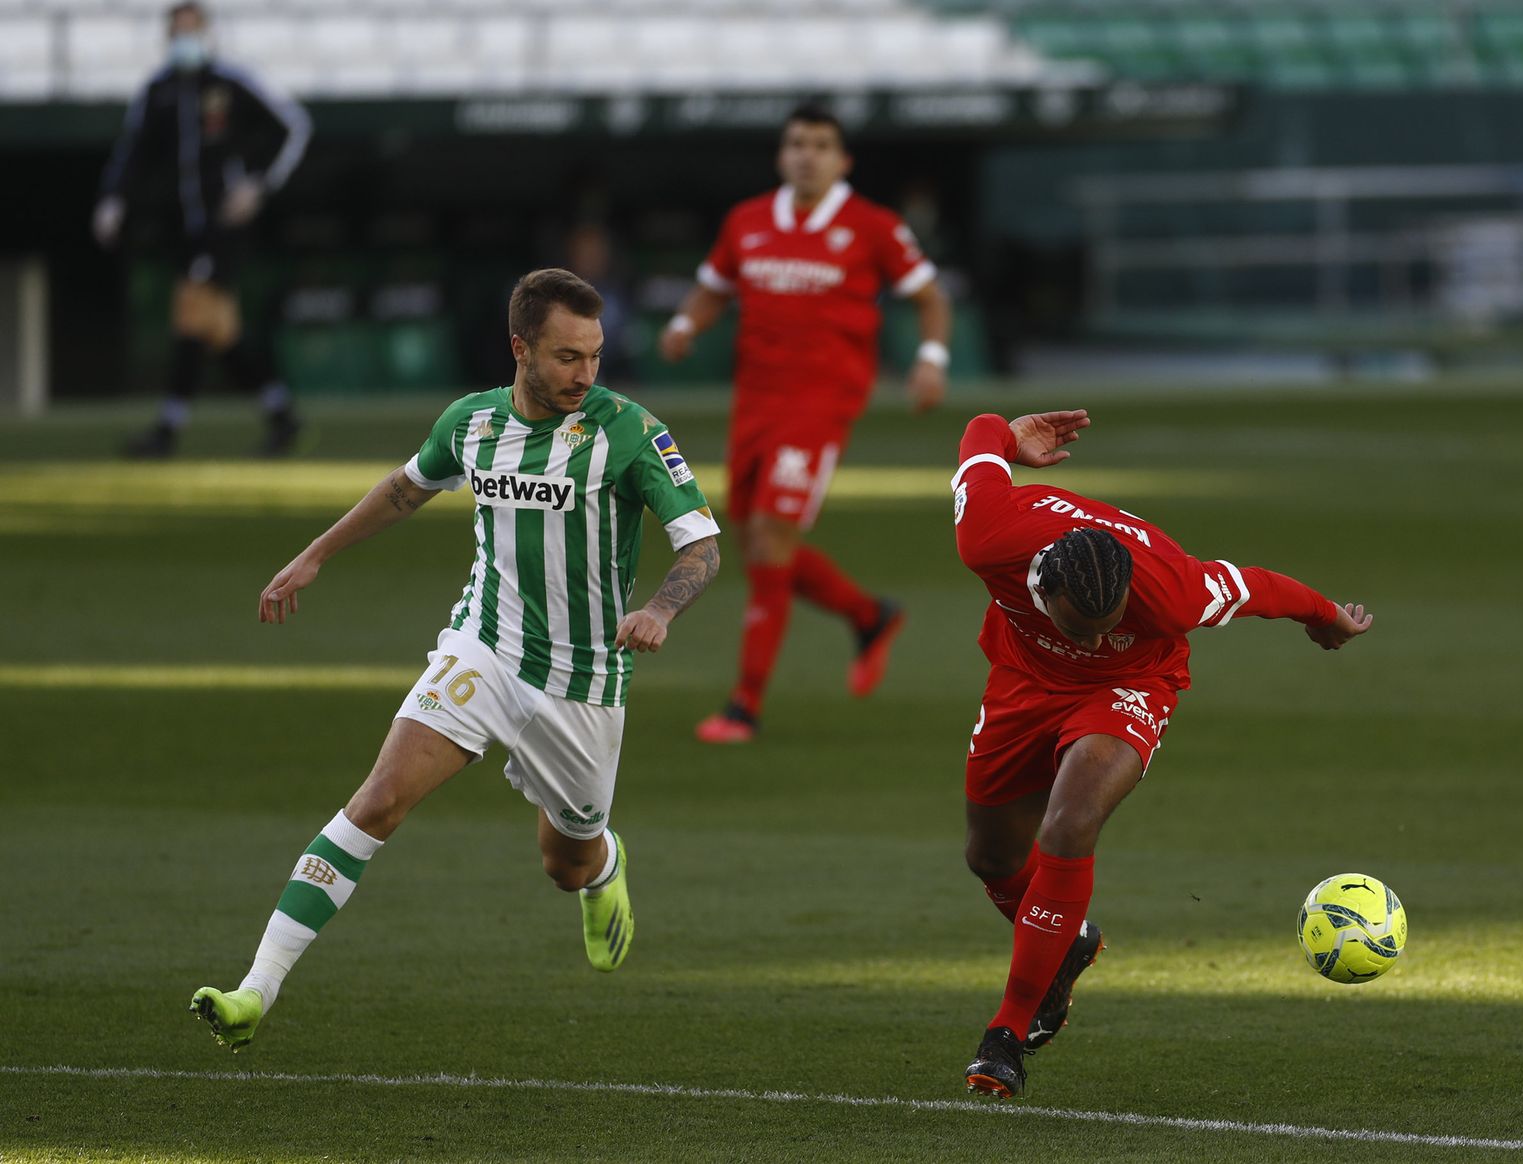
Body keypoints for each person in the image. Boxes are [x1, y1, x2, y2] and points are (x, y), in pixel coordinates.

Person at [190, 269, 721, 1050]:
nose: (586, 373)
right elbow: (405, 489)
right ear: (521, 349)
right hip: (484, 647)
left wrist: (659, 608)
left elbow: (702, 545)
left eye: (595, 356)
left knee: (562, 863)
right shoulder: (470, 424)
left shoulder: (629, 432)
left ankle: (603, 863)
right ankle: (253, 994)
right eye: (568, 356)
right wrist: (315, 555)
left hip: (584, 678)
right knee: (376, 802)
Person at [952, 409, 1373, 1098]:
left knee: (1070, 822)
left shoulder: (1169, 587)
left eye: (1106, 626)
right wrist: (1010, 436)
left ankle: (1005, 1035)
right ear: (1044, 589)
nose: (1091, 640)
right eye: (1078, 627)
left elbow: (1256, 587)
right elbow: (980, 430)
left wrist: (1325, 616)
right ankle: (1068, 942)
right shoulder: (989, 537)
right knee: (991, 858)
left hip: (1129, 687)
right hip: (1021, 683)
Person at [657, 102, 952, 744]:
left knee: (770, 538)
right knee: (758, 545)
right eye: (797, 143)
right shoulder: (749, 220)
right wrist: (686, 323)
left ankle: (745, 704)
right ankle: (869, 615)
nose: (806, 154)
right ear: (781, 154)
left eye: (821, 144)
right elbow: (715, 285)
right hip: (755, 402)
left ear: (842, 160)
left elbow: (929, 296)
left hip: (820, 405)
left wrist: (930, 359)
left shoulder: (872, 226)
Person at [93, 0, 312, 458]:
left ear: (206, 34)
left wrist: (257, 185)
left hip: (223, 227)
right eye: (178, 32)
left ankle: (167, 431)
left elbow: (292, 126)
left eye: (192, 30)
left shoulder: (229, 84)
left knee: (191, 315)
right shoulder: (158, 91)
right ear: (167, 37)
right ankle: (282, 415)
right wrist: (115, 199)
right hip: (184, 229)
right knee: (220, 331)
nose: (185, 41)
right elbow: (133, 152)